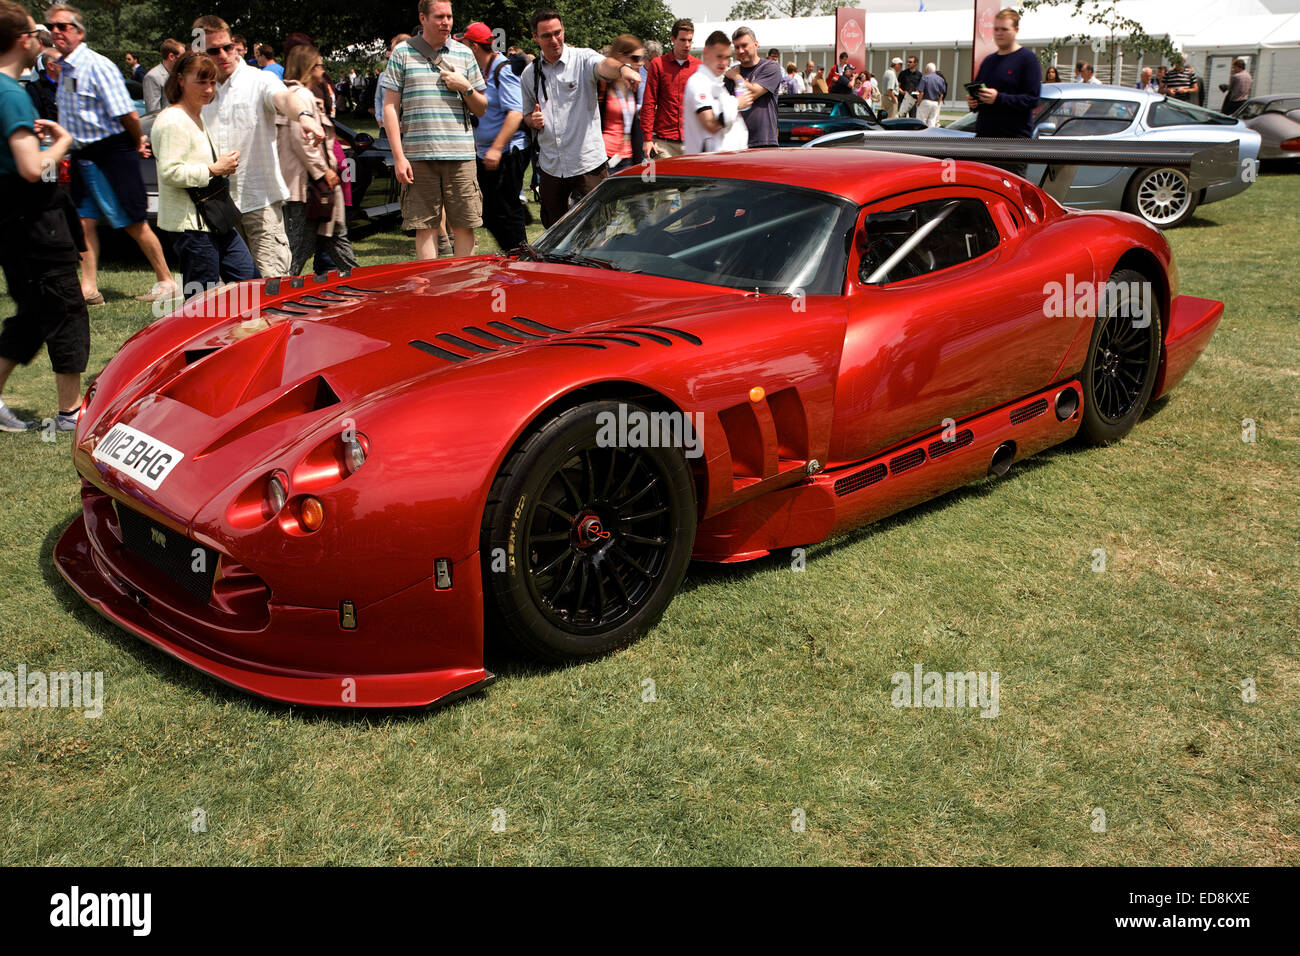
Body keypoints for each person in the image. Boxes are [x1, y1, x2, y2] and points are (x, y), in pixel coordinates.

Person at [47, 4, 176, 304]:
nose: (56, 31)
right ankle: (89, 289)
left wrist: (135, 143)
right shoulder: (65, 68)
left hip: (111, 153)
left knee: (133, 221)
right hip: (83, 155)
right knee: (83, 222)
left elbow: (129, 114)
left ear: (79, 32)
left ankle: (167, 281)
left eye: (63, 26)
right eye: (52, 26)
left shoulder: (97, 66)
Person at [0, 0, 87, 433]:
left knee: (33, 313)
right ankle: (72, 413)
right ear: (22, 40)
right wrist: (62, 142)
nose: (43, 39)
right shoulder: (11, 93)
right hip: (34, 224)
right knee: (65, 308)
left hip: (12, 224)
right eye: (37, 32)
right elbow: (32, 168)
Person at [193, 14, 324, 280]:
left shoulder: (258, 79)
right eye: (213, 50)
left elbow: (284, 97)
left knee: (272, 286)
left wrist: (304, 117)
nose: (223, 55)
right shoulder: (196, 89)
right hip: (216, 204)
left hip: (259, 200)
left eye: (227, 47)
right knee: (230, 293)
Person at [381, 1, 487, 260]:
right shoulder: (402, 53)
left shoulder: (464, 54)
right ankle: (431, 293)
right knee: (424, 228)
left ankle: (465, 289)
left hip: (461, 155)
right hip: (418, 156)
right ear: (423, 18)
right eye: (439, 16)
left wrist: (466, 87)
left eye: (449, 16)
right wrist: (398, 157)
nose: (446, 22)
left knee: (465, 226)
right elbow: (390, 108)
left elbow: (482, 108)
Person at [520, 8, 641, 227]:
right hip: (551, 167)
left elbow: (605, 65)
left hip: (587, 164)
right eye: (546, 35)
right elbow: (526, 115)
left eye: (558, 32)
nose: (554, 40)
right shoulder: (530, 73)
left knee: (597, 229)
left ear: (563, 30)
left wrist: (623, 69)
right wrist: (532, 120)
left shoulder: (583, 59)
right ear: (535, 37)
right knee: (554, 233)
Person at [151, 51, 257, 295]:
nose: (209, 89)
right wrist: (213, 168)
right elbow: (169, 172)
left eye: (212, 82)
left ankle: (244, 330)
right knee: (202, 302)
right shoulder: (173, 120)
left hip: (215, 221)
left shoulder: (195, 115)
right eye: (201, 82)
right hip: (192, 228)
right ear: (180, 80)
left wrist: (220, 166)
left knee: (249, 285)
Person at [277, 44, 356, 275]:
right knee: (301, 245)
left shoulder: (299, 95)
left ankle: (361, 281)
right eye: (319, 65)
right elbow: (302, 139)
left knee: (333, 236)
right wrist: (324, 171)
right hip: (308, 187)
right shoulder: (301, 96)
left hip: (312, 187)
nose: (323, 69)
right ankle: (279, 289)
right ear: (309, 67)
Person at [461, 19, 527, 252]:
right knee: (490, 213)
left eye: (465, 44)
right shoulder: (481, 71)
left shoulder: (503, 69)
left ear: (474, 47)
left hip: (507, 153)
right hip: (488, 153)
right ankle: (514, 254)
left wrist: (497, 148)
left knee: (507, 211)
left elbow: (515, 114)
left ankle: (520, 258)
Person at [967, 8, 1041, 178]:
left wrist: (998, 98)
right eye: (996, 29)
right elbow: (981, 94)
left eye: (1004, 29)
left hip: (1013, 143)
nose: (999, 33)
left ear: (1016, 30)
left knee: (1011, 193)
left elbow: (1032, 99)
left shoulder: (1027, 59)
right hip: (984, 140)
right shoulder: (989, 61)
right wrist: (975, 102)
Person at [681, 31, 750, 154]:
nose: (723, 63)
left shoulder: (715, 83)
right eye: (719, 56)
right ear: (706, 53)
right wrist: (737, 104)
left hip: (724, 161)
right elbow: (710, 124)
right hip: (707, 164)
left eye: (727, 57)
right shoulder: (698, 82)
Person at [640, 18, 698, 160]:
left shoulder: (698, 66)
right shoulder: (658, 64)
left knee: (691, 183)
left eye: (690, 40)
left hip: (692, 142)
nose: (687, 45)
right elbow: (649, 102)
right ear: (673, 39)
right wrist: (647, 139)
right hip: (664, 142)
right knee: (667, 183)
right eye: (683, 40)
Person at [600, 35, 643, 173]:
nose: (640, 63)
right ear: (621, 56)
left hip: (628, 155)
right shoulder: (603, 85)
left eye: (642, 58)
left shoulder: (632, 86)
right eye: (635, 58)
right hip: (606, 156)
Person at [373, 33, 410, 121]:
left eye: (392, 49)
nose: (388, 53)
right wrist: (379, 117)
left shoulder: (412, 75)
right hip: (386, 125)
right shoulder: (383, 75)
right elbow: (378, 98)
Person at [143, 39, 182, 114]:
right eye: (181, 58)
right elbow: (153, 112)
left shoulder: (179, 74)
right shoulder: (152, 76)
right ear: (171, 57)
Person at [25, 45, 59, 118]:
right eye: (62, 62)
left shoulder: (70, 83)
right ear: (51, 66)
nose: (67, 65)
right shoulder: (35, 88)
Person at [916, 62, 946, 127]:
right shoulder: (941, 79)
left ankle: (921, 136)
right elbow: (942, 94)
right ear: (935, 70)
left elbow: (921, 92)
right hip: (935, 102)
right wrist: (938, 103)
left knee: (921, 121)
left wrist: (919, 102)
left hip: (925, 101)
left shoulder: (925, 78)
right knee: (932, 121)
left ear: (927, 69)